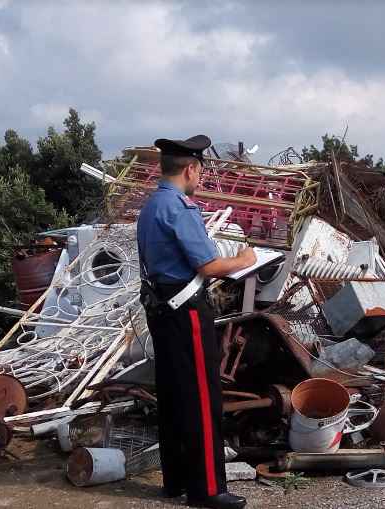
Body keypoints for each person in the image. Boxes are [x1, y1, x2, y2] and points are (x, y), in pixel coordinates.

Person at [137, 135, 256, 509]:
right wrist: (245, 258)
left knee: (172, 395)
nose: (201, 177)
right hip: (186, 311)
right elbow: (210, 266)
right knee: (203, 397)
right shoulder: (179, 207)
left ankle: (175, 481)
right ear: (190, 169)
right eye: (200, 171)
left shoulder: (151, 205)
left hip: (160, 310)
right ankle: (207, 490)